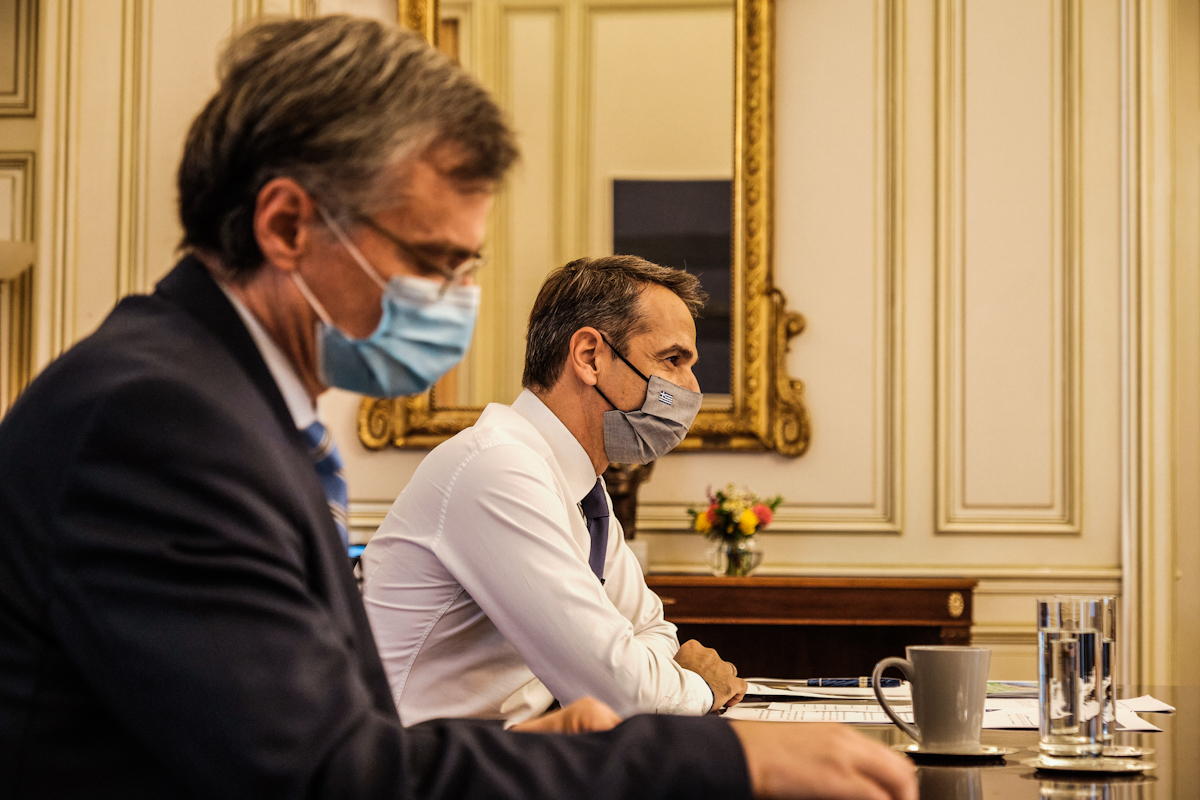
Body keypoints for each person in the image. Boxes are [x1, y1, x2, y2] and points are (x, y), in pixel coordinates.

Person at [0, 14, 917, 800]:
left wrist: (532, 751)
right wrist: (721, 760)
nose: (461, 300)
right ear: (285, 225)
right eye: (435, 263)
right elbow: (318, 777)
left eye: (468, 266)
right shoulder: (158, 422)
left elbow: (324, 739)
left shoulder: (216, 403)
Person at [362, 256, 746, 727]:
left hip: (493, 751)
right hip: (404, 760)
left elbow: (650, 630)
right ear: (589, 356)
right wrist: (700, 686)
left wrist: (641, 671)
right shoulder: (497, 468)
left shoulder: (584, 492)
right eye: (672, 360)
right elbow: (622, 693)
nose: (691, 387)